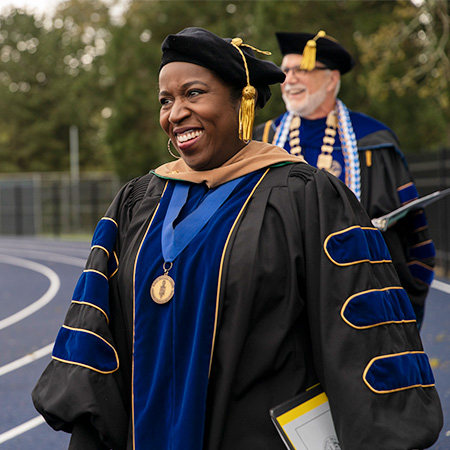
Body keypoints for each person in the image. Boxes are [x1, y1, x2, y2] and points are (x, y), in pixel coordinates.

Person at [32, 27, 442, 450]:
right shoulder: (137, 202)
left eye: (193, 94)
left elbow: (357, 341)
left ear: (241, 102)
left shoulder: (305, 197)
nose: (175, 114)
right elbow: (97, 339)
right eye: (166, 100)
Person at [254, 30, 436, 329]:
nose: (290, 79)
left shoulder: (372, 141)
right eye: (285, 71)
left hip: (360, 302)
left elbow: (414, 236)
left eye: (303, 69)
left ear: (332, 79)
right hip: (281, 305)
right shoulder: (262, 141)